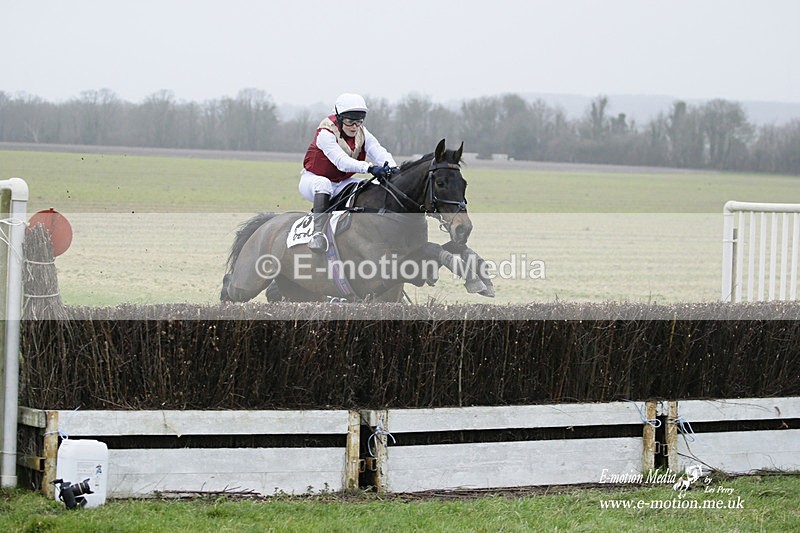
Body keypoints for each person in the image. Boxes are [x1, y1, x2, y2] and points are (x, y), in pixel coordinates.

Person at [300, 93, 397, 252]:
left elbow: (378, 151)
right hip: (313, 180)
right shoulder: (325, 133)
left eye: (358, 122)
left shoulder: (362, 132)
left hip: (342, 182)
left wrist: (393, 168)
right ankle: (318, 234)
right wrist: (370, 168)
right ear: (338, 119)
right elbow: (342, 162)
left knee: (371, 185)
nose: (354, 127)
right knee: (323, 184)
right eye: (350, 122)